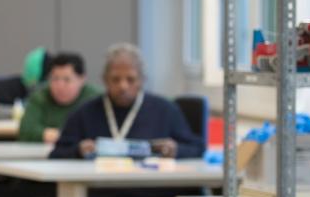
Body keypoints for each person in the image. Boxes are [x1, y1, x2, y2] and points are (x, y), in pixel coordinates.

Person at [50, 43, 204, 159]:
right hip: (101, 189)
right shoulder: (85, 113)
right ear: (105, 80)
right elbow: (57, 153)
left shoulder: (165, 110)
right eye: (115, 79)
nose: (123, 86)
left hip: (151, 190)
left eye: (131, 79)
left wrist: (176, 149)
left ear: (142, 80)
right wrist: (78, 150)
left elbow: (197, 147)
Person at [18, 52, 100, 143]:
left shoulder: (95, 98)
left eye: (67, 80)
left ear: (82, 79)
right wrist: (65, 136)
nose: (60, 86)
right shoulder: (40, 97)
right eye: (55, 79)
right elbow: (25, 131)